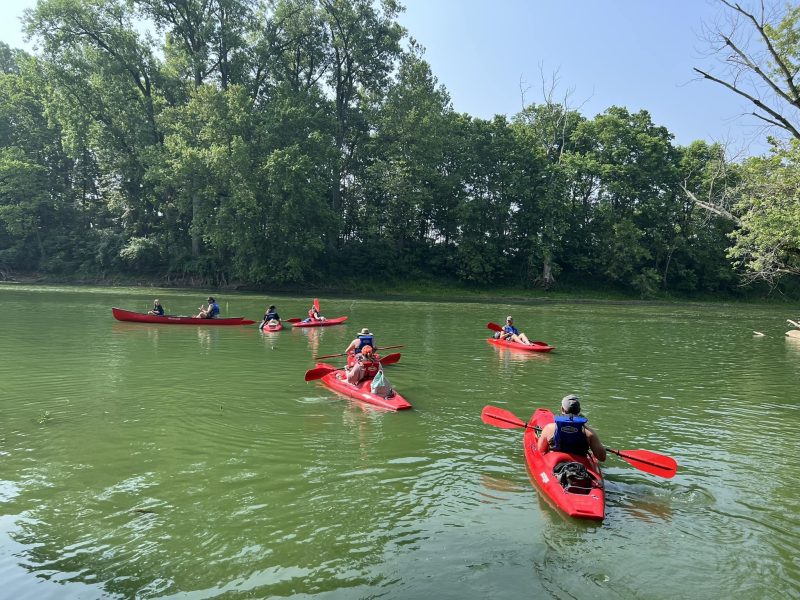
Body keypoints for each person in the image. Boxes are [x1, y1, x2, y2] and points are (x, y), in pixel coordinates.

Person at [537, 395, 606, 462]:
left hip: (555, 461)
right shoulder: (589, 433)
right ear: (579, 410)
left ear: (562, 409)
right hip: (580, 463)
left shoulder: (549, 429)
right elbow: (602, 458)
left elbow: (540, 450)